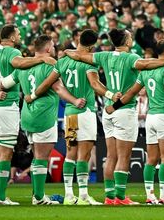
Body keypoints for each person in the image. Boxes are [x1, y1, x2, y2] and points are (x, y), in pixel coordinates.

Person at [63, 27, 164, 204]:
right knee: (123, 157)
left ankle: (109, 196)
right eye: (130, 37)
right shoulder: (131, 58)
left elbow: (78, 56)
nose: (131, 39)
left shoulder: (104, 56)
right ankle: (120, 196)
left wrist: (66, 51)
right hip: (123, 111)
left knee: (110, 155)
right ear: (126, 41)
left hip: (107, 110)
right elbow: (145, 64)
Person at [0, 24, 52, 205]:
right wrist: (42, 59)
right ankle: (0, 197)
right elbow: (19, 63)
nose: (20, 36)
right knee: (5, 153)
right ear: (12, 38)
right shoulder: (13, 53)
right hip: (6, 106)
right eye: (19, 34)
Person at [8, 34, 85, 205]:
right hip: (44, 116)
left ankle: (37, 194)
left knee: (37, 157)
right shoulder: (50, 65)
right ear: (48, 48)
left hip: (27, 117)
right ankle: (40, 198)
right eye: (53, 46)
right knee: (42, 158)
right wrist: (74, 100)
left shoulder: (23, 66)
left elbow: (6, 82)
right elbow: (58, 89)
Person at [58, 28, 109, 205]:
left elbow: (55, 85)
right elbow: (95, 84)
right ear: (92, 46)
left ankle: (68, 194)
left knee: (70, 153)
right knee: (84, 154)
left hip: (70, 113)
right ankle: (84, 196)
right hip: (85, 112)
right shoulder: (88, 62)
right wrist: (109, 95)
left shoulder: (63, 60)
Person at [131, 40, 164, 204]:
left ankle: (150, 195)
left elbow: (135, 90)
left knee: (151, 159)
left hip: (151, 117)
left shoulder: (146, 70)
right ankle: (163, 196)